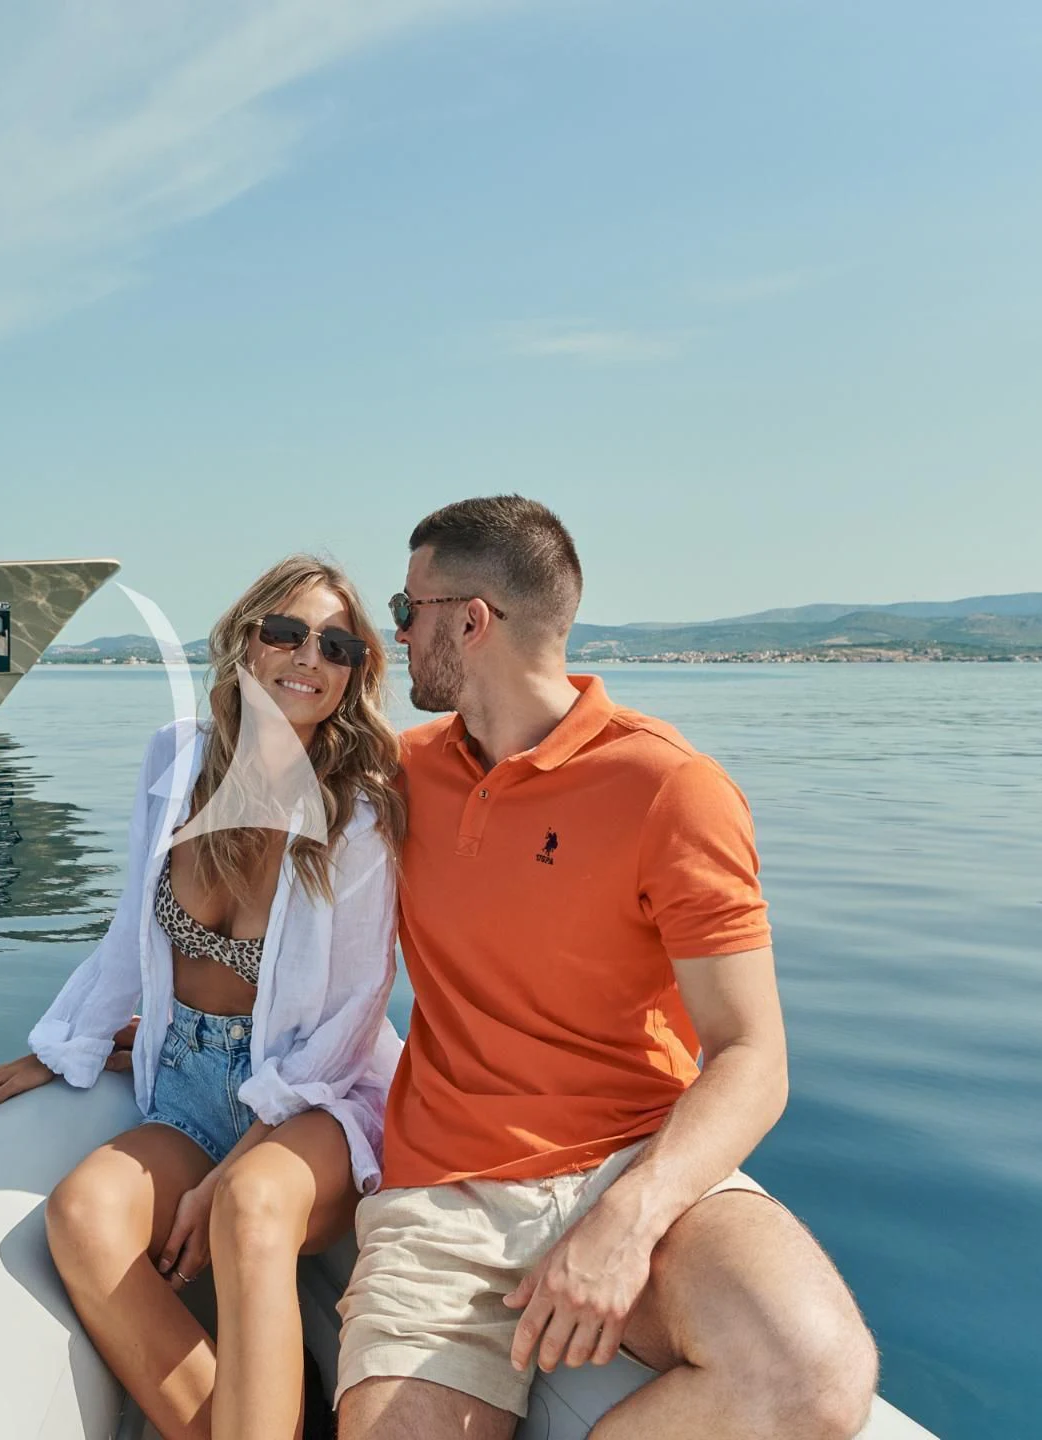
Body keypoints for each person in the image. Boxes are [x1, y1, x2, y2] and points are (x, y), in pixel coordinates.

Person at [334, 497, 879, 1440]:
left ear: (472, 620)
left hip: (634, 1162)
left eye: (407, 608)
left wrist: (630, 1218)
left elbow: (753, 1055)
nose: (400, 634)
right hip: (442, 1199)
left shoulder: (671, 789)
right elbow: (250, 856)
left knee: (812, 1373)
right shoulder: (401, 776)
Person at [0, 555, 405, 1440]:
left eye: (337, 646)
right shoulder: (177, 758)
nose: (307, 657)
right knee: (82, 1217)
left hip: (312, 1098)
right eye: (286, 631)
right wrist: (67, 1047)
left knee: (249, 1210)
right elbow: (131, 931)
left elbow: (354, 1013)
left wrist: (240, 1162)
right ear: (244, 640)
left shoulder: (360, 812)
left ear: (355, 672)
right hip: (188, 1078)